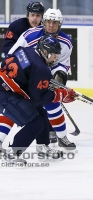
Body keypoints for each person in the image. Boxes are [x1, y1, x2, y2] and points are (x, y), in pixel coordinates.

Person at [0, 8, 75, 151]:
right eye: (48, 22)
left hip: (41, 77)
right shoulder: (29, 35)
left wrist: (58, 77)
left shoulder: (66, 42)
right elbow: (12, 54)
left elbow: (62, 64)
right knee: (18, 108)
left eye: (55, 22)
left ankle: (58, 138)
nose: (51, 25)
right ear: (43, 22)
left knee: (49, 107)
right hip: (23, 80)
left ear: (60, 24)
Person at [0, 1, 45, 153]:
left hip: (29, 77)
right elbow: (7, 49)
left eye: (38, 16)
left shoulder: (45, 30)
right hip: (15, 76)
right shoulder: (17, 26)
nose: (35, 19)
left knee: (36, 110)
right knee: (19, 109)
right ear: (27, 15)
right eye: (33, 15)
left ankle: (43, 144)